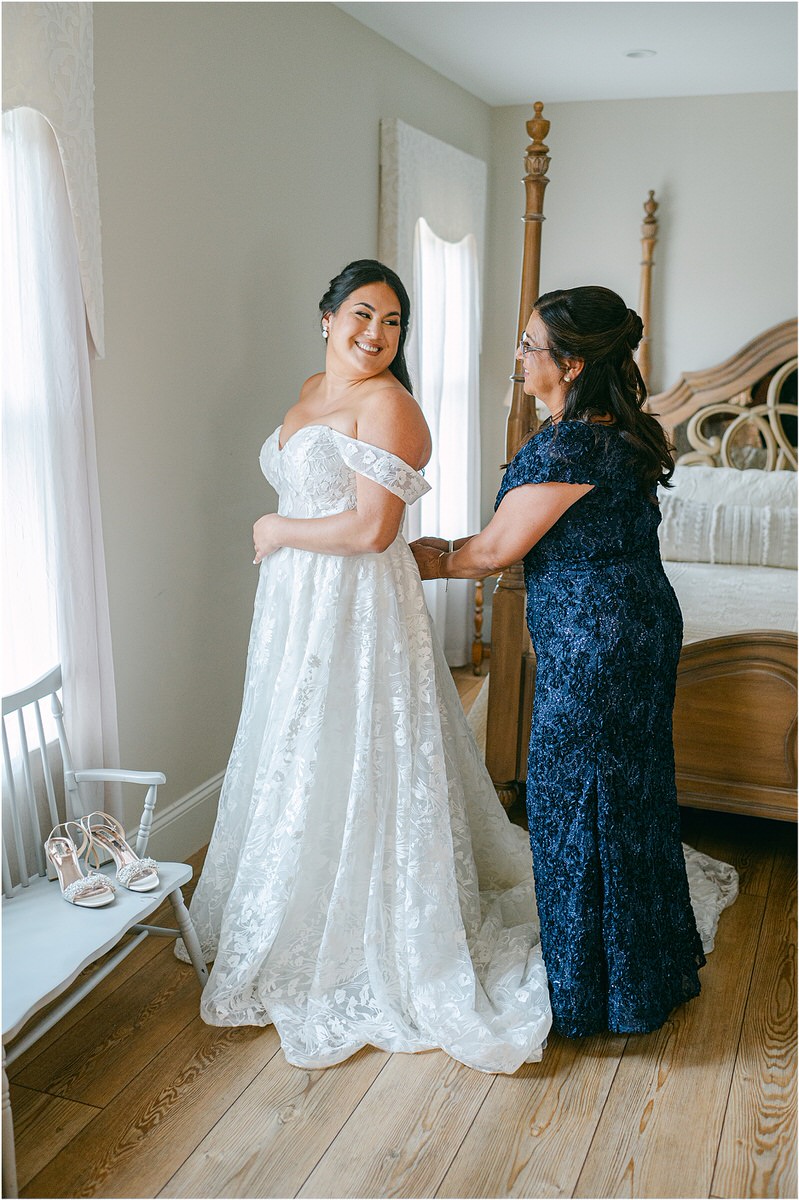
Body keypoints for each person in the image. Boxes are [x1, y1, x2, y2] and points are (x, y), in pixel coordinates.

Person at [176, 260, 552, 1073]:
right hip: (296, 603)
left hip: (352, 603)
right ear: (326, 317)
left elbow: (371, 531)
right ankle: (288, 901)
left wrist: (275, 529)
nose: (375, 333)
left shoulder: (389, 406)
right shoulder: (313, 388)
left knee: (348, 743)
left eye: (391, 321)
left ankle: (358, 927)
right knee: (292, 743)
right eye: (361, 313)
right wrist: (284, 540)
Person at [411, 286, 737, 1038]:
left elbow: (495, 550)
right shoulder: (606, 431)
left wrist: (420, 560)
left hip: (600, 642)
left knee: (573, 799)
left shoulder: (571, 446)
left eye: (530, 345)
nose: (519, 356)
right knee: (626, 796)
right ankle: (640, 971)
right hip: (632, 625)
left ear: (572, 362)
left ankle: (594, 990)